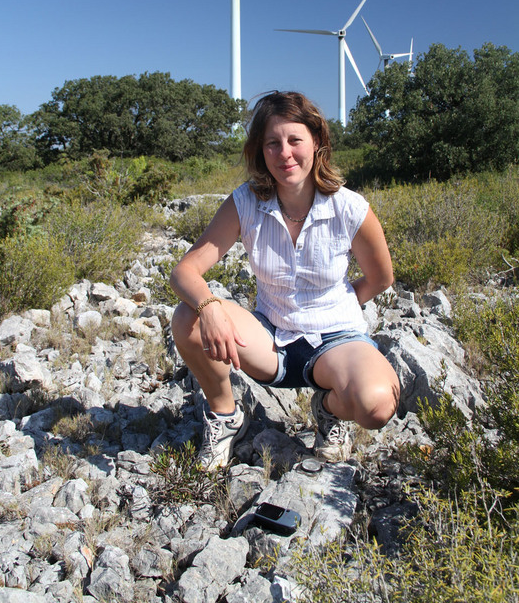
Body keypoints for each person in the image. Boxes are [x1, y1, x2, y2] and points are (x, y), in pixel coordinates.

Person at [170, 91, 400, 470]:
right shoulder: (246, 202)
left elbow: (381, 278)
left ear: (317, 143)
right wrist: (209, 307)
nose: (285, 153)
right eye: (272, 144)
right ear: (260, 152)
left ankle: (328, 409)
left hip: (338, 339)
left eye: (295, 140)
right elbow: (185, 270)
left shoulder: (349, 208)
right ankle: (227, 417)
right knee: (187, 317)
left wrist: (340, 304)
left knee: (377, 405)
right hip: (270, 339)